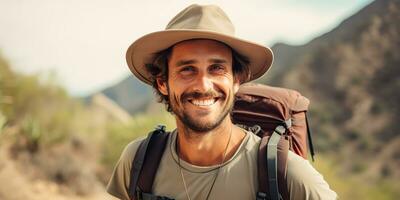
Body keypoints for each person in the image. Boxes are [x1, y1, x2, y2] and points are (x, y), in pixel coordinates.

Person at [107, 4, 337, 200]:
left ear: (237, 80)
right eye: (187, 69)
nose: (204, 85)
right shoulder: (139, 161)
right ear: (162, 83)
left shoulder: (287, 175)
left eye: (217, 68)